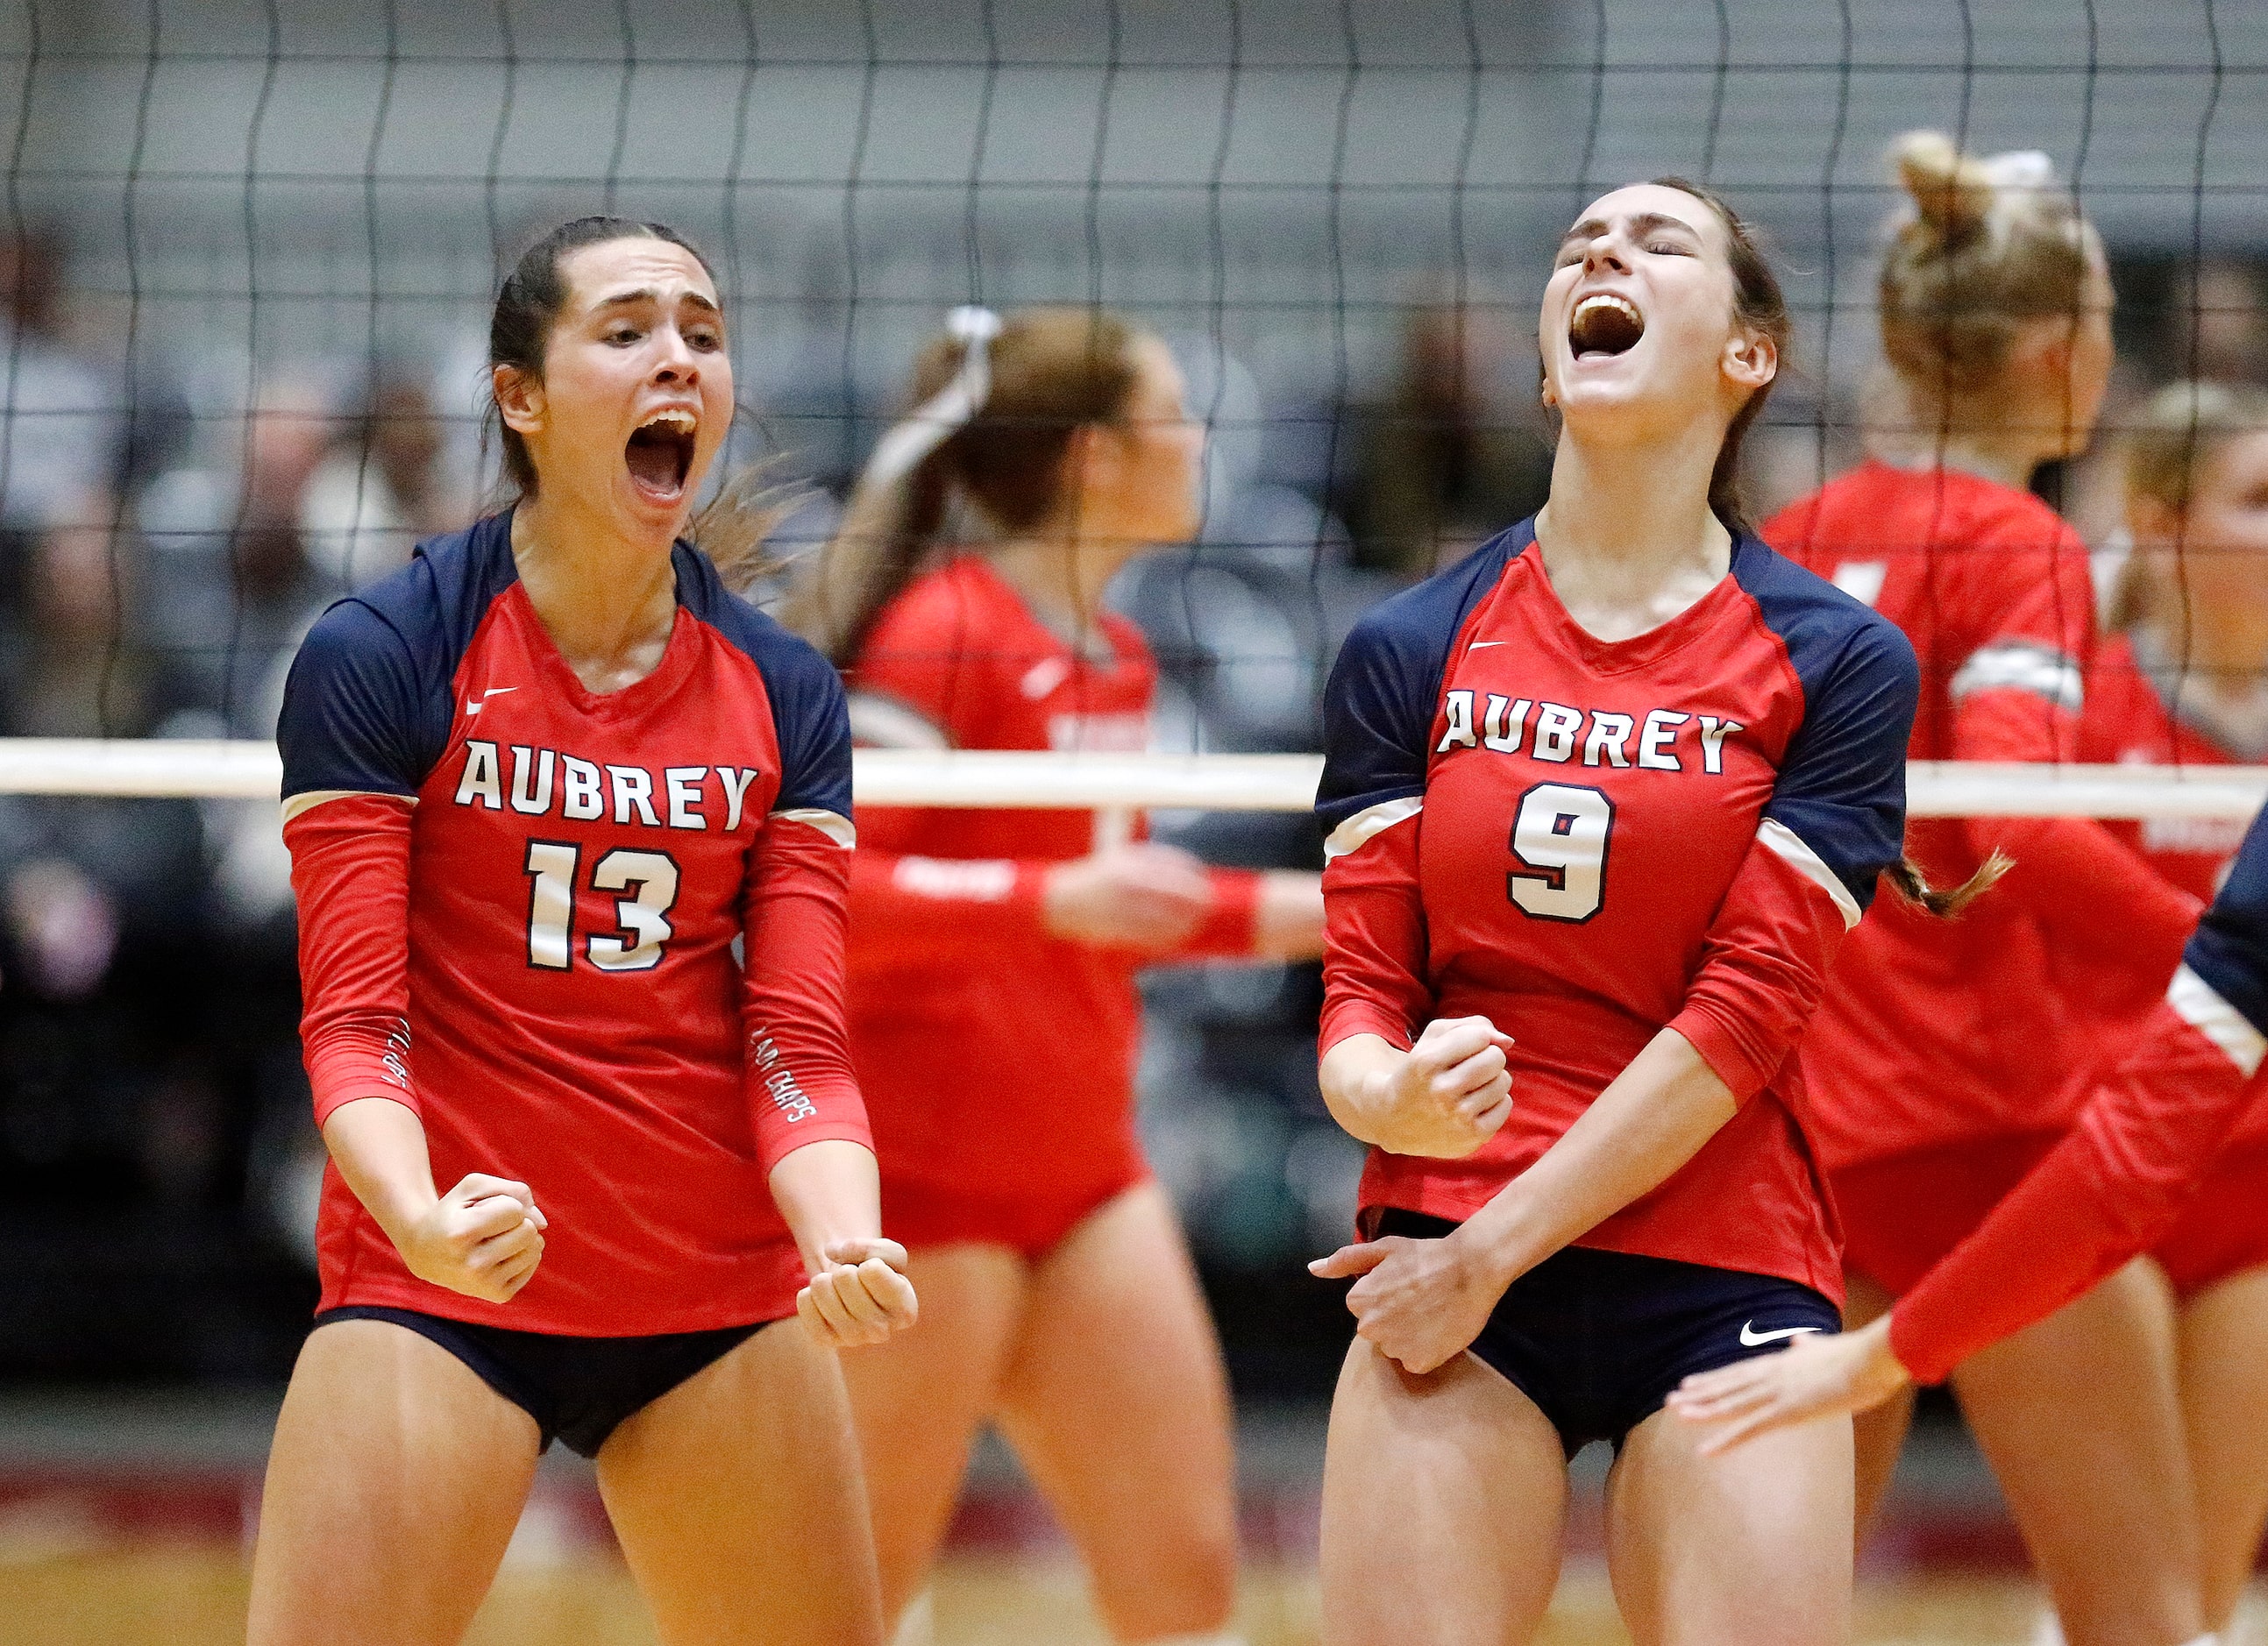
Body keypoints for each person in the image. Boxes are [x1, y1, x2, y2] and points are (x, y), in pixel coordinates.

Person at [1304, 175, 1959, 1646]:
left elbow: (1743, 1020)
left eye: (1660, 243)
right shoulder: (1411, 645)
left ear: (1749, 354)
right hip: (1447, 1257)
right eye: (1579, 245)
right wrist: (1385, 1091)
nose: (1602, 252)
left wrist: (1496, 1250)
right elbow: (1359, 995)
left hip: (1719, 1264)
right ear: (1551, 362)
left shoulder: (1835, 661)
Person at [245, 216, 917, 1646]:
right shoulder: (390, 651)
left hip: (715, 1296)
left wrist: (843, 1237)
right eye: (626, 330)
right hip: (441, 1288)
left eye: (703, 332)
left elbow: (797, 1037)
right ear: (521, 396)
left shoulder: (782, 689)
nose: (677, 355)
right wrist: (421, 1218)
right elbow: (355, 1023)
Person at [1682, 380, 2268, 1646]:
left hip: (2236, 1173)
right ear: (2163, 521)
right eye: (2257, 496)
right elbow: (1974, 845)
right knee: (2124, 1601)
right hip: (2082, 1147)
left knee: (2191, 1597)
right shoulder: (2078, 694)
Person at [778, 305, 1323, 1646]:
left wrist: (1376, 908)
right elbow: (825, 898)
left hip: (1085, 1175)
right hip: (929, 1194)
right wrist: (1049, 899)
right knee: (855, 1598)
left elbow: (1121, 906)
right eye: (1170, 414)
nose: (1196, 440)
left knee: (1184, 1581)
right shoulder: (941, 633)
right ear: (1092, 456)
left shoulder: (1114, 655)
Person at [1760, 132, 2218, 1646]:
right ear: (2049, 350)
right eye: (2105, 331)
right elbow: (2019, 811)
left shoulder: (1798, 538)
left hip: (1806, 1134)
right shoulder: (2021, 541)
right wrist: (2220, 951)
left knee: (1763, 1616)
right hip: (1988, 1130)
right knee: (2146, 1616)